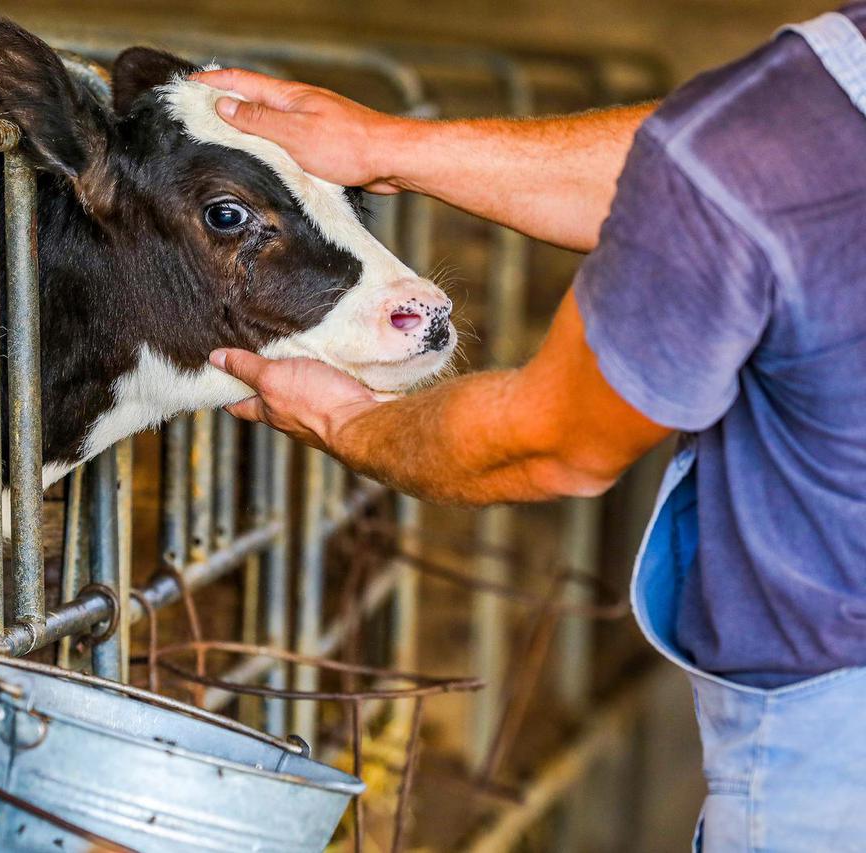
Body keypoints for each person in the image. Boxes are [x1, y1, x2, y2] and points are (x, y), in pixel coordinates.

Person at [197, 6, 866, 850]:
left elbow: (554, 441)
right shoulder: (767, 137)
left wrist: (345, 418)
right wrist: (395, 147)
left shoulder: (768, 133)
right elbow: (724, 177)